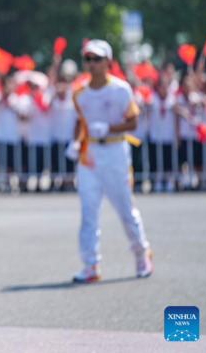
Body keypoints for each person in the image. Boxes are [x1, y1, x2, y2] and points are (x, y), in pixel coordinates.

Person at [66, 39, 153, 283]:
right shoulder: (79, 93)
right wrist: (75, 143)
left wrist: (109, 128)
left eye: (96, 59)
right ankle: (91, 264)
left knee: (125, 209)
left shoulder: (120, 89)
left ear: (107, 62)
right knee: (88, 212)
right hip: (90, 156)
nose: (91, 64)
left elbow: (133, 123)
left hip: (115, 153)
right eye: (88, 59)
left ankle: (141, 253)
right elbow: (79, 122)